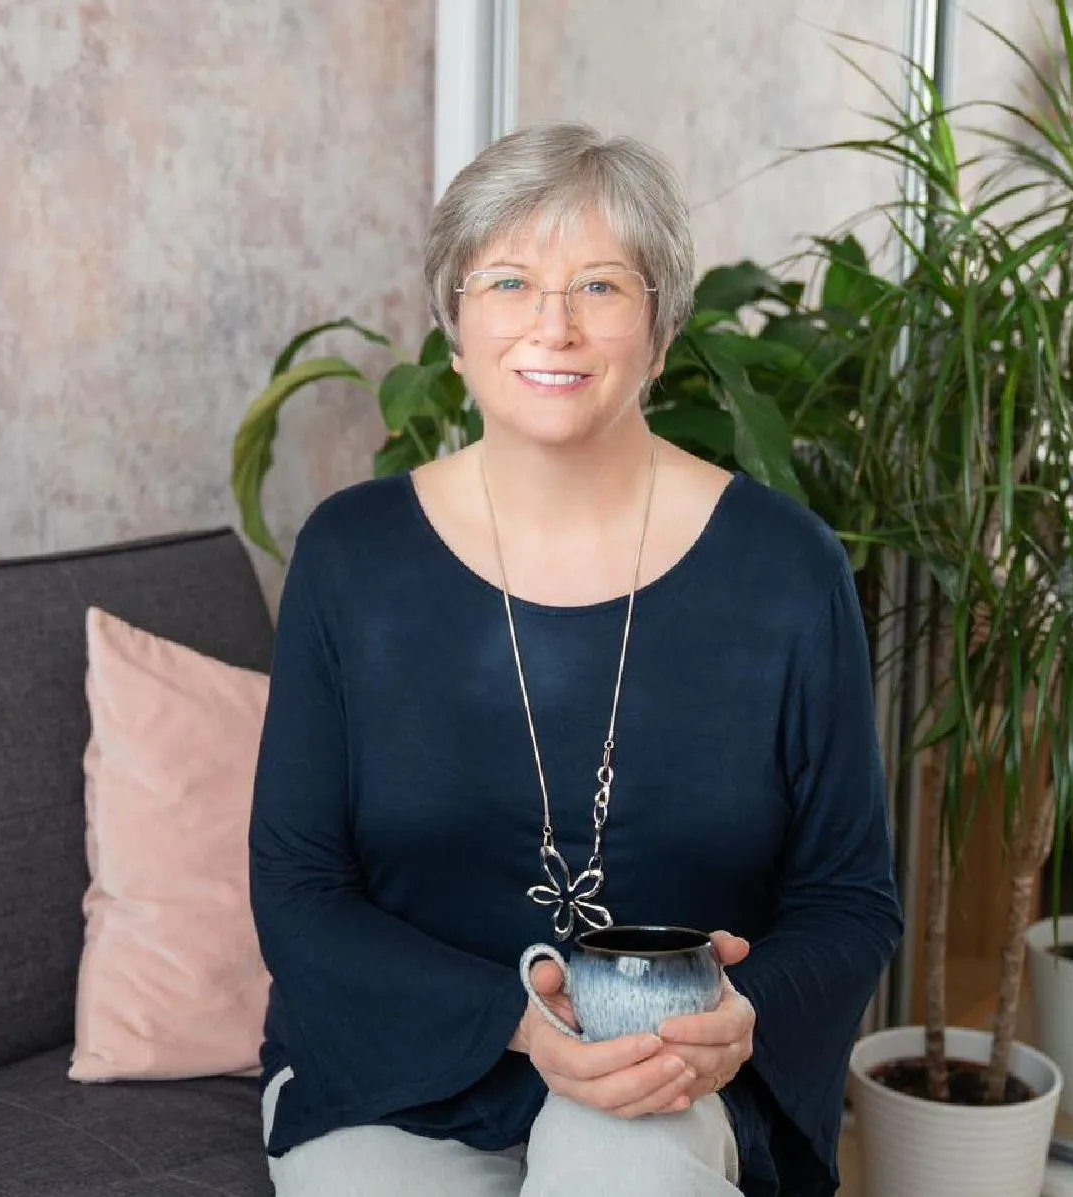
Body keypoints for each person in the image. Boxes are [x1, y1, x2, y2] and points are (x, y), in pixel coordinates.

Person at [249, 121, 903, 1197]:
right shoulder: (350, 556)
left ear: (662, 329)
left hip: (670, 1076)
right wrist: (519, 1022)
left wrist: (741, 1016)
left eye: (600, 286)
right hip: (392, 1067)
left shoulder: (788, 569)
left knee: (618, 1165)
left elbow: (849, 898)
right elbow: (298, 889)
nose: (552, 325)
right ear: (454, 324)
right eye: (508, 282)